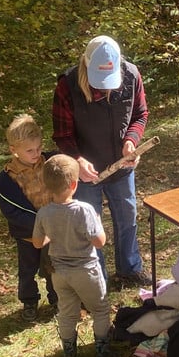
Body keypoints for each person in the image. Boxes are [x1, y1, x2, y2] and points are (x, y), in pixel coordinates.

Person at [52, 34, 151, 290]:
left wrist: (131, 140)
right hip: (86, 171)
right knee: (89, 224)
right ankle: (97, 279)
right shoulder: (68, 85)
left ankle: (130, 270)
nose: (105, 89)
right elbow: (62, 134)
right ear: (86, 65)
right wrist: (77, 160)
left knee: (127, 216)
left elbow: (140, 114)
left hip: (121, 167)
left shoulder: (131, 76)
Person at [31, 154, 116, 357]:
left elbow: (38, 243)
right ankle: (102, 353)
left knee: (67, 314)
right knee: (100, 310)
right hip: (86, 271)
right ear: (74, 184)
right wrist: (98, 221)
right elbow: (99, 242)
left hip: (59, 274)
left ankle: (69, 355)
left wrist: (55, 234)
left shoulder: (44, 213)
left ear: (47, 186)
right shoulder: (84, 210)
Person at [0, 113, 58, 322]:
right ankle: (29, 301)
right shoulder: (7, 181)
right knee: (27, 271)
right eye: (29, 151)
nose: (36, 153)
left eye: (38, 148)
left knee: (53, 267)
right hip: (27, 235)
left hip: (52, 233)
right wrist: (37, 225)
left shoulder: (50, 163)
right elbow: (12, 211)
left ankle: (57, 299)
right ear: (14, 150)